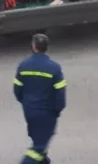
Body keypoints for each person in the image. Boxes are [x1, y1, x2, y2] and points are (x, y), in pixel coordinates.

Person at [14, 34, 67, 164]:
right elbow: (60, 96)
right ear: (46, 47)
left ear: (33, 46)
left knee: (39, 143)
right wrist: (56, 112)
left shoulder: (23, 66)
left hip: (29, 112)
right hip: (47, 114)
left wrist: (27, 103)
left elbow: (17, 91)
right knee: (39, 148)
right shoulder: (54, 68)